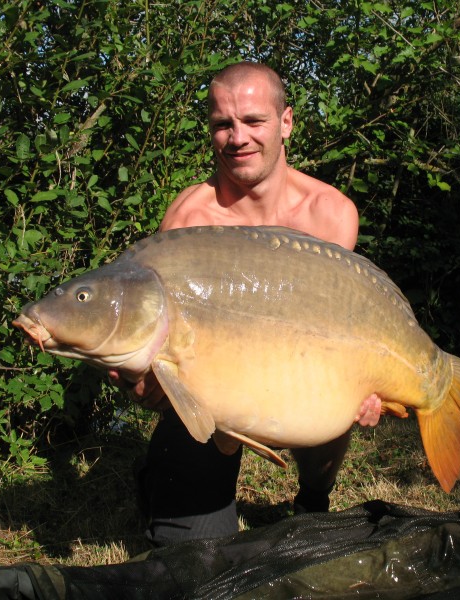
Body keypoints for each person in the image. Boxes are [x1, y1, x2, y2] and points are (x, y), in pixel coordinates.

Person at [112, 61, 382, 545]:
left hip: (291, 365)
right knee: (194, 551)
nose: (238, 138)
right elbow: (162, 341)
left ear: (286, 122)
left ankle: (313, 499)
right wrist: (142, 382)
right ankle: (162, 479)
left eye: (254, 121)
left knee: (337, 397)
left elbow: (328, 332)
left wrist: (364, 381)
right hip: (210, 388)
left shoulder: (329, 215)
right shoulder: (190, 218)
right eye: (223, 124)